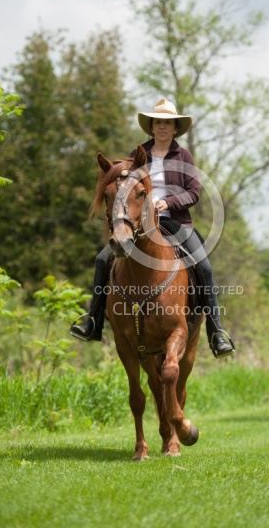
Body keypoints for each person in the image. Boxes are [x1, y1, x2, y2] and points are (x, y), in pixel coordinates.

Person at [70, 98, 234, 358]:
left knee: (204, 266)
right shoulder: (138, 156)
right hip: (140, 225)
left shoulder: (184, 156)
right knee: (103, 260)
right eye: (158, 122)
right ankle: (93, 321)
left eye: (167, 123)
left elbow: (194, 193)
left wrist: (166, 202)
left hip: (176, 223)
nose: (162, 127)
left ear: (175, 128)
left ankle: (216, 331)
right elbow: (123, 185)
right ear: (152, 126)